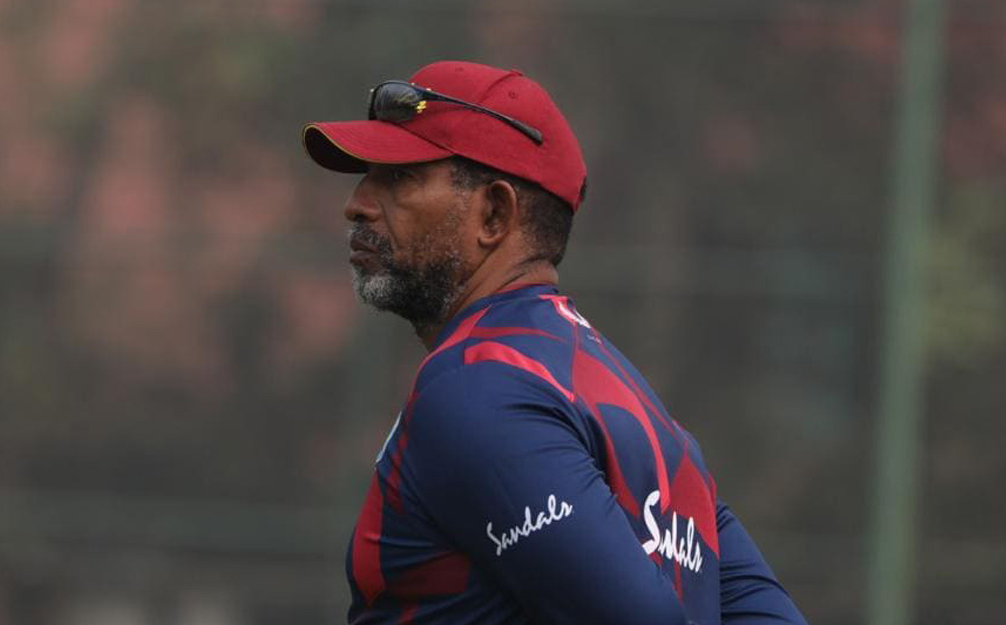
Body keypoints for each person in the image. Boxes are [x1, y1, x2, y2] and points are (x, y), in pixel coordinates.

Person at [302, 60, 806, 625]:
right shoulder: (638, 409)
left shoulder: (475, 388)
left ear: (494, 214)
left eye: (399, 179)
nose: (357, 204)